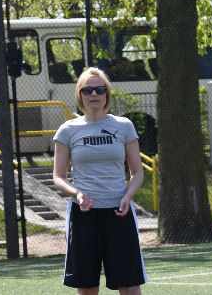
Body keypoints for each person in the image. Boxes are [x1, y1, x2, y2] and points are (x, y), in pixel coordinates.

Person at [52, 67, 147, 295]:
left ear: (106, 94)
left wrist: (127, 196)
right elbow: (58, 177)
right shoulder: (67, 130)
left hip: (119, 213)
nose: (94, 94)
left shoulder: (124, 126)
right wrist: (78, 194)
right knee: (87, 287)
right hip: (84, 215)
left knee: (130, 285)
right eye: (88, 90)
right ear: (80, 95)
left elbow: (137, 172)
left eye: (99, 89)